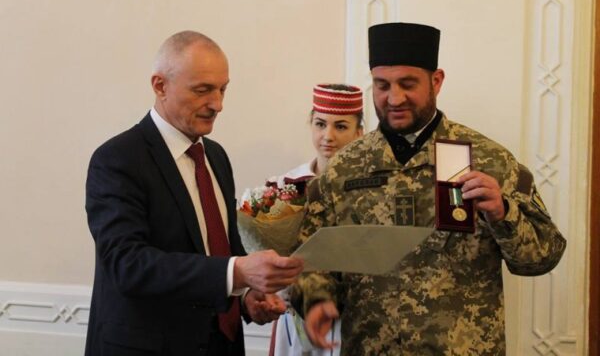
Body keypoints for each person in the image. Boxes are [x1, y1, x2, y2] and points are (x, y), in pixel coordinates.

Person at [291, 22, 567, 355]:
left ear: (436, 81)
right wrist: (316, 300)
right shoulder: (343, 169)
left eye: (408, 84)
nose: (394, 98)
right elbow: (311, 261)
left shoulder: (490, 160)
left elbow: (543, 257)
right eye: (382, 85)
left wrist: (503, 212)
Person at [85, 30, 303, 356]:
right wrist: (237, 272)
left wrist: (245, 296)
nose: (218, 104)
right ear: (160, 86)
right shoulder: (117, 160)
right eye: (203, 90)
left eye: (222, 89)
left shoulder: (216, 157)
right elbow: (128, 264)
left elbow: (220, 248)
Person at [267, 84, 364, 356]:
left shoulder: (369, 190)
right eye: (320, 124)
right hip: (295, 316)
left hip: (351, 319)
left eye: (341, 126)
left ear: (359, 132)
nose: (328, 136)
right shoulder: (285, 186)